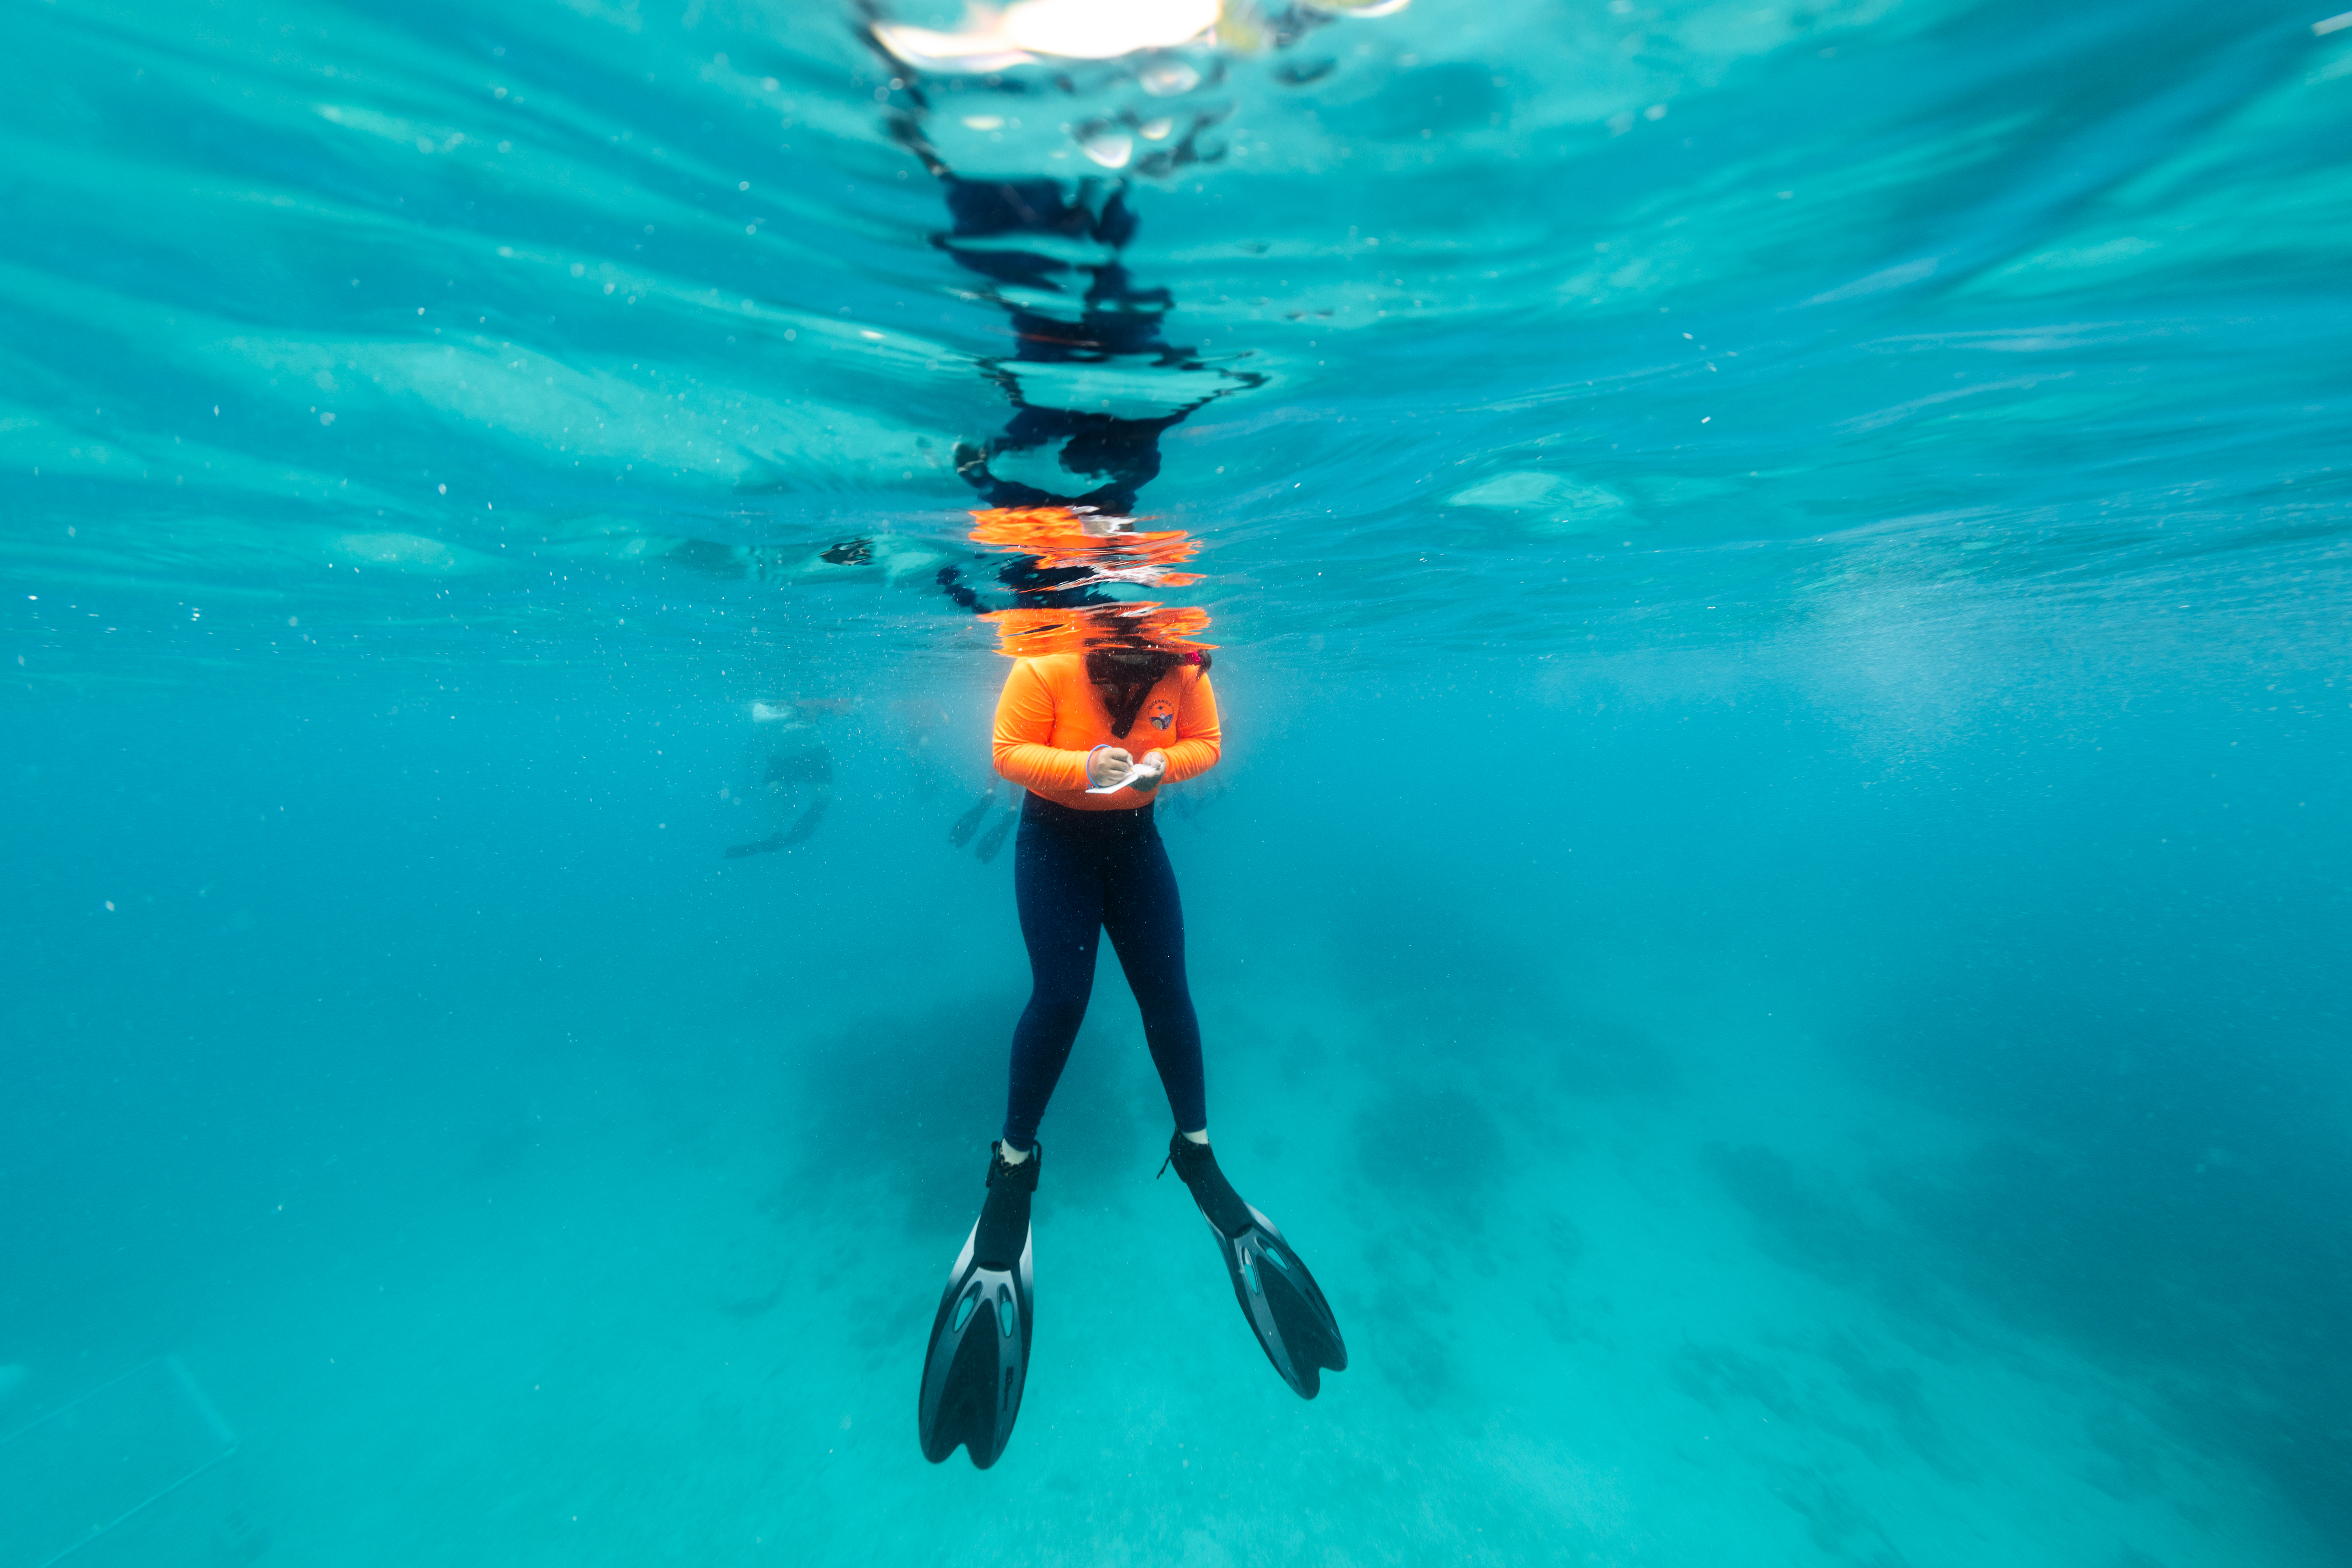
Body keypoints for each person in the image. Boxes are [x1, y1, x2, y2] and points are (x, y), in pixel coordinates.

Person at [915, 641, 1347, 1470]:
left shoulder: (1184, 667)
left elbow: (1206, 746)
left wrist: (1151, 769)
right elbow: (1007, 753)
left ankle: (1196, 1151)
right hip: (1053, 843)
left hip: (1137, 843)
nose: (1137, 662)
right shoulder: (1044, 657)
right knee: (1062, 999)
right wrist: (1090, 766)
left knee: (1168, 994)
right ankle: (1011, 1165)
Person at [722, 700, 838, 859]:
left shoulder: (808, 698)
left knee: (824, 795)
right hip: (782, 757)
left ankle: (800, 832)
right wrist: (792, 713)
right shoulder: (764, 702)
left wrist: (827, 706)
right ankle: (775, 836)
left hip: (813, 752)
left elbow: (839, 707)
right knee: (773, 790)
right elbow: (760, 720)